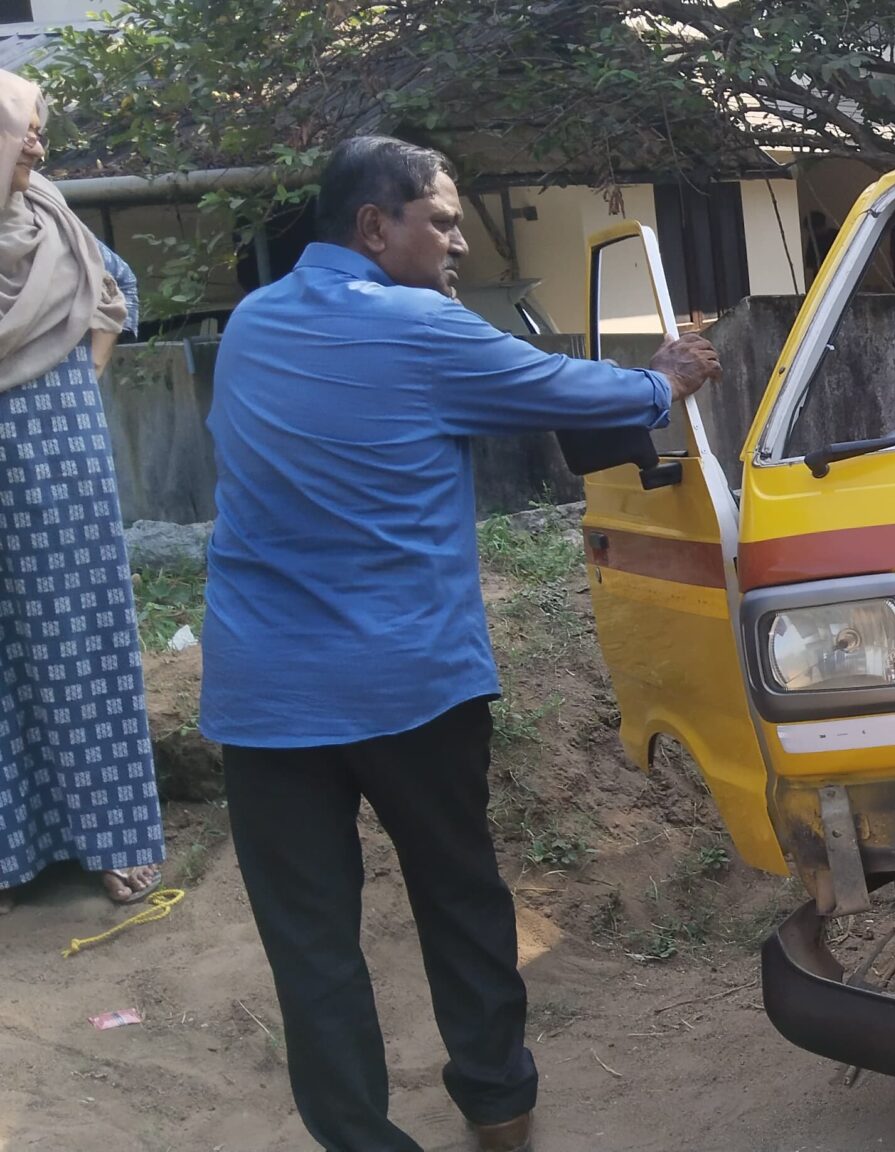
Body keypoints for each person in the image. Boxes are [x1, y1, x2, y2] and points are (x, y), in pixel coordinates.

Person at [203, 136, 719, 1152]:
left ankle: (360, 1139)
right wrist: (664, 379)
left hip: (264, 697)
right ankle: (497, 1106)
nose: (458, 243)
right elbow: (575, 393)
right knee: (459, 899)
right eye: (440, 222)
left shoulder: (250, 325)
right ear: (373, 226)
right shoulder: (422, 327)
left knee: (309, 945)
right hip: (409, 685)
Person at [0, 69, 164, 913]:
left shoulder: (52, 217)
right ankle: (10, 853)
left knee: (79, 637)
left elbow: (116, 292)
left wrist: (77, 383)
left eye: (37, 124)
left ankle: (112, 840)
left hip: (62, 464)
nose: (37, 139)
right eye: (19, 125)